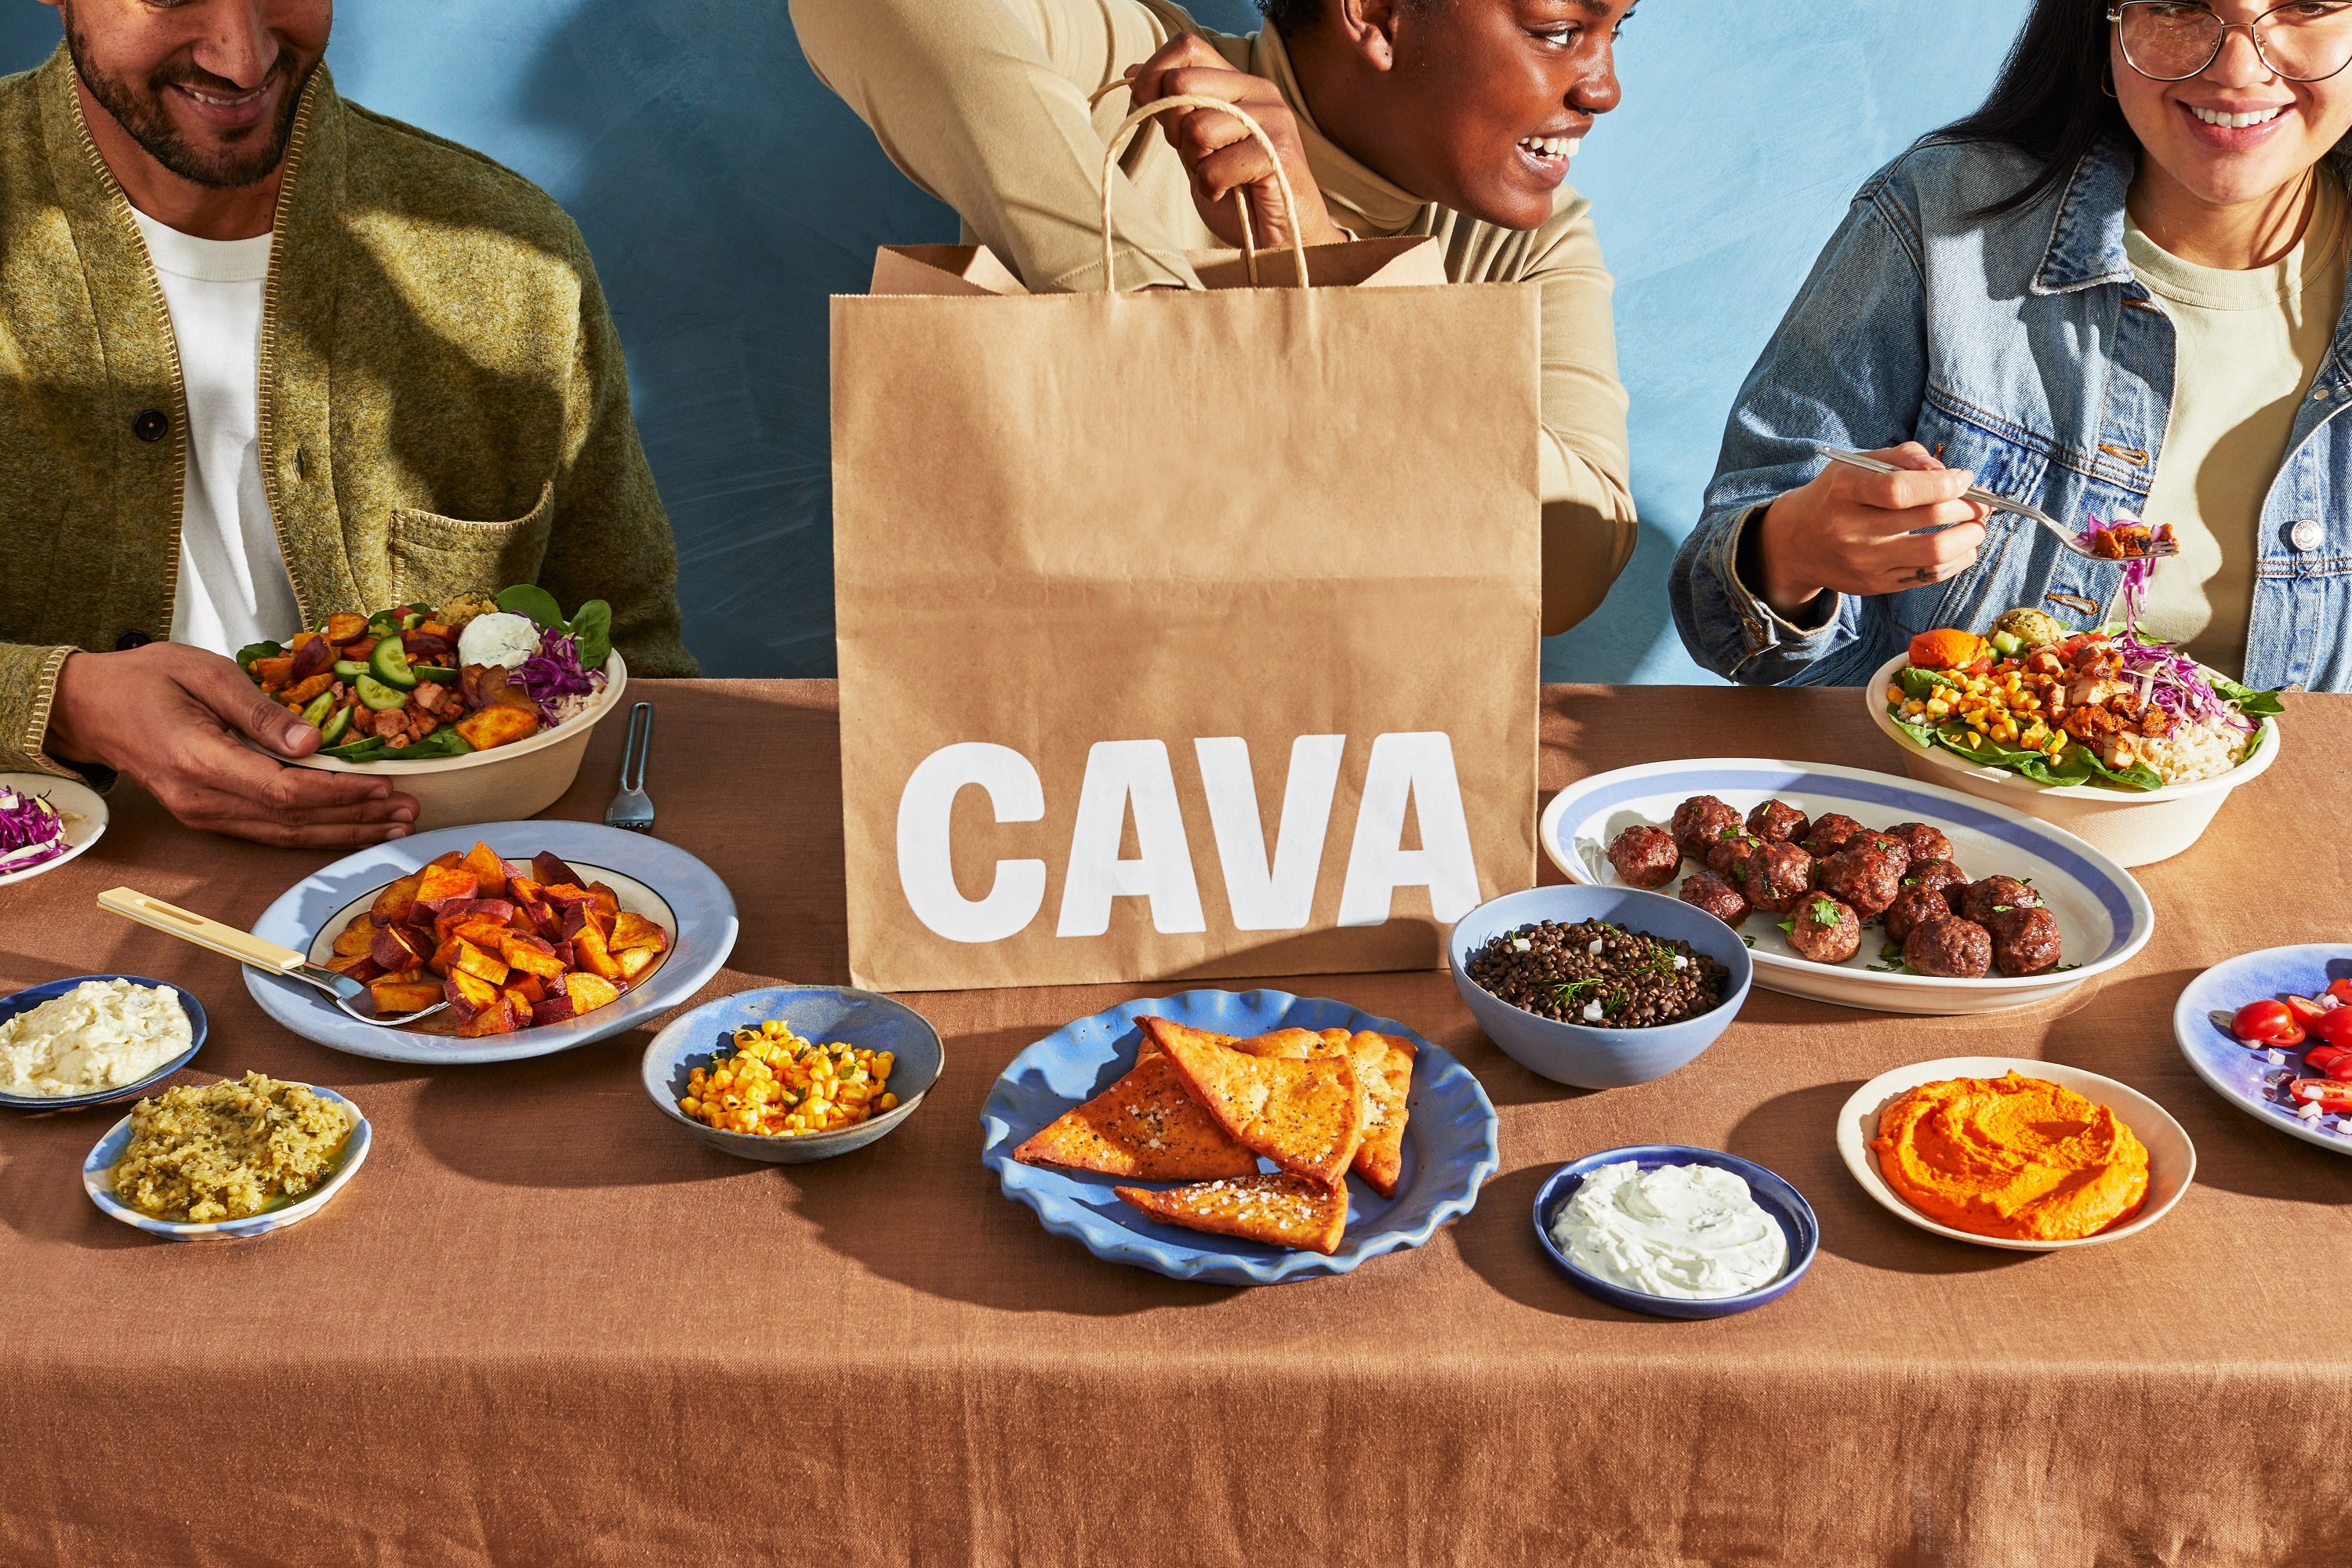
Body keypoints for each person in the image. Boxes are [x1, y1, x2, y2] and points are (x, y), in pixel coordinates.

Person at [0, 0, 695, 845]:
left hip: (448, 893)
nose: (242, 58)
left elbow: (633, 650)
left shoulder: (515, 257)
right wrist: (60, 702)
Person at [789, 0, 1641, 637]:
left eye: (1618, 31)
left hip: (1357, 795)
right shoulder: (1138, 76)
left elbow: (1564, 565)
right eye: (1560, 30)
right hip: (1046, 775)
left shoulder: (1532, 248)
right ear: (1377, 14)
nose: (1603, 87)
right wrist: (1148, 306)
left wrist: (1320, 258)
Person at [1671, 0, 2352, 692]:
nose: (2239, 68)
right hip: (1938, 796)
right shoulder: (1942, 216)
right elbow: (1719, 615)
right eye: (2177, 5)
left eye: (2306, 6)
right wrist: (1788, 554)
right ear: (2101, 27)